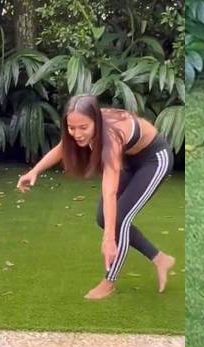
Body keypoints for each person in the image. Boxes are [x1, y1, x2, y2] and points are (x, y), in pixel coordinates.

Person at [16, 94, 176, 300]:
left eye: (83, 127)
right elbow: (62, 147)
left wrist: (109, 239)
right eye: (72, 128)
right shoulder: (82, 128)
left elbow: (109, 190)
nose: (77, 133)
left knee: (120, 219)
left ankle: (109, 282)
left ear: (96, 122)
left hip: (154, 160)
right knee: (103, 217)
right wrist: (35, 171)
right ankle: (160, 259)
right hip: (128, 159)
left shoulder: (111, 135)